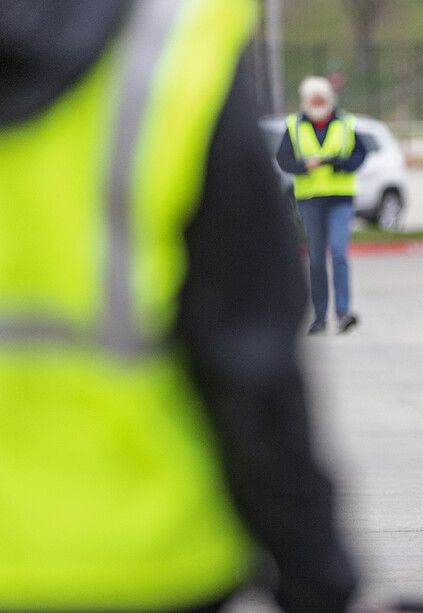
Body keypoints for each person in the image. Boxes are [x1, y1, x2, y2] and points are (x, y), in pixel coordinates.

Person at [0, 1, 357, 611]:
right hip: (149, 558)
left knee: (336, 263)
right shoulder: (174, 47)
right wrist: (314, 570)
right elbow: (251, 357)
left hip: (336, 205)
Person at [277, 76, 367, 335]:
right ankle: (319, 315)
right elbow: (283, 158)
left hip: (340, 197)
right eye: (313, 101)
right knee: (316, 259)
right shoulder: (294, 126)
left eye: (322, 100)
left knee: (339, 253)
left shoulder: (345, 123)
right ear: (306, 102)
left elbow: (360, 153)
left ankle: (343, 312)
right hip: (310, 199)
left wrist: (342, 163)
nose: (318, 105)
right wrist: (303, 166)